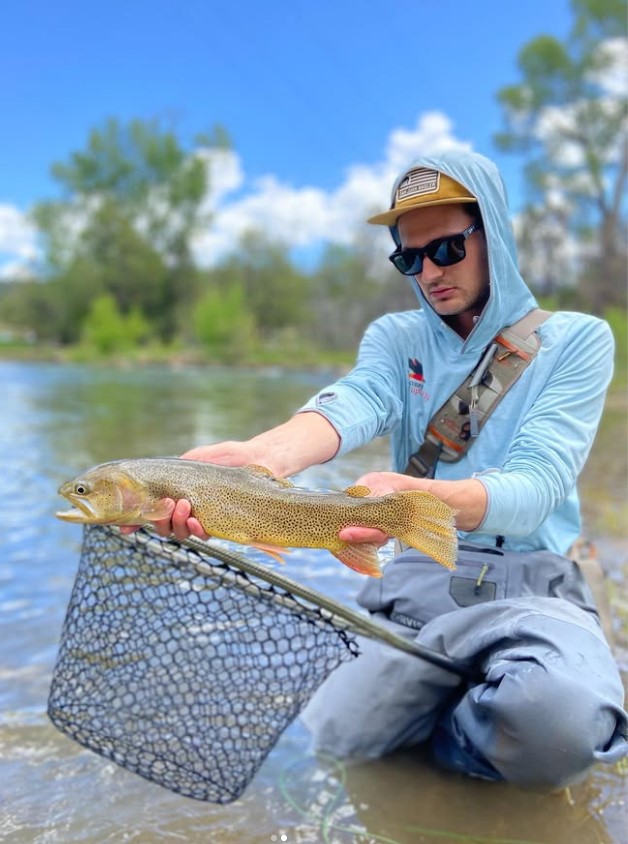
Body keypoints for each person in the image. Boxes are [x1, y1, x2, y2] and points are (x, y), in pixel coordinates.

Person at [124, 150, 627, 789]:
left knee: (558, 728)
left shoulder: (578, 340)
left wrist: (424, 501)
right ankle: (468, 717)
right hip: (418, 584)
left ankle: (471, 738)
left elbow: (538, 482)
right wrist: (264, 457)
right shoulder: (396, 339)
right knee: (339, 740)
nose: (429, 273)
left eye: (446, 248)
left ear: (492, 231)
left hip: (533, 586)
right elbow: (357, 401)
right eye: (409, 258)